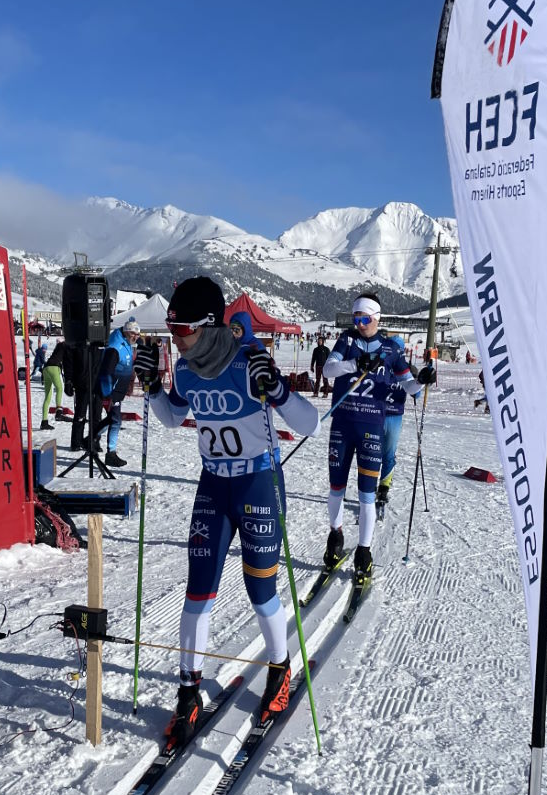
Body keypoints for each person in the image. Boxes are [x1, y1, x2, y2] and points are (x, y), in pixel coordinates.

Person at [133, 277, 320, 748]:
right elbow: (175, 417)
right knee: (198, 591)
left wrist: (276, 389)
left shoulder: (246, 362)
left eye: (181, 328)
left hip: (257, 481)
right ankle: (188, 692)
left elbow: (309, 424)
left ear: (209, 325)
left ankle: (279, 669)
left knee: (262, 590)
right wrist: (154, 387)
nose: (175, 338)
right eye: (171, 329)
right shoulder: (190, 369)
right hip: (214, 484)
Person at [321, 293, 435, 583]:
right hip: (343, 426)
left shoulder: (390, 350)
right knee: (336, 488)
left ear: (377, 318)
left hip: (371, 427)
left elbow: (408, 385)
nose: (359, 324)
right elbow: (328, 369)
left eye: (365, 319)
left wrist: (421, 380)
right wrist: (354, 364)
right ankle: (335, 539)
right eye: (356, 318)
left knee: (366, 495)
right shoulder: (347, 341)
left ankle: (364, 551)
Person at [91, 317, 141, 467]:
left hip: (118, 390)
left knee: (112, 419)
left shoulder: (126, 342)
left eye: (137, 335)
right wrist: (108, 394)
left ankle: (90, 439)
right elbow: (106, 372)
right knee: (116, 420)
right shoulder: (115, 346)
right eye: (133, 335)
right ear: (126, 332)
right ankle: (110, 453)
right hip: (111, 390)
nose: (136, 338)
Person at [377, 333, 416, 519]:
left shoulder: (407, 369)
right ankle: (368, 489)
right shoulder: (380, 366)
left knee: (389, 454)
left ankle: (383, 488)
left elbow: (416, 392)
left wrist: (422, 381)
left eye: (398, 349)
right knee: (371, 452)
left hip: (394, 416)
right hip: (376, 414)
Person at [40, 338, 67, 431]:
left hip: (46, 368)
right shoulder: (66, 346)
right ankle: (59, 411)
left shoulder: (59, 346)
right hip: (54, 368)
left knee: (47, 396)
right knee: (60, 388)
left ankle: (44, 422)